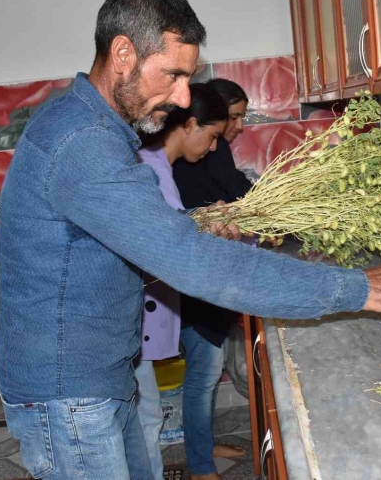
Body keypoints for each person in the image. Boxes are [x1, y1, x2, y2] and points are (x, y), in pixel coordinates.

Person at [0, 0, 381, 480]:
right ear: (123, 53)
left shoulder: (90, 126)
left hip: (96, 374)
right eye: (174, 75)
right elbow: (190, 264)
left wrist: (192, 234)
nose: (181, 97)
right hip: (68, 392)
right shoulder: (83, 141)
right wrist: (363, 288)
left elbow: (102, 251)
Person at [134, 82, 230, 480]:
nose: (211, 148)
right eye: (211, 137)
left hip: (131, 317)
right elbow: (169, 249)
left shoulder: (159, 165)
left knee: (147, 416)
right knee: (144, 421)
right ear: (190, 124)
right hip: (122, 318)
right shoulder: (152, 167)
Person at [173, 78, 253, 477]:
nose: (233, 131)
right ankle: (201, 465)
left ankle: (202, 446)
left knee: (204, 372)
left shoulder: (205, 151)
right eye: (232, 118)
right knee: (203, 375)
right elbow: (238, 196)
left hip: (203, 279)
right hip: (196, 285)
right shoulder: (199, 155)